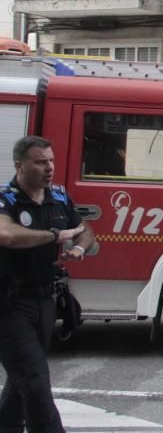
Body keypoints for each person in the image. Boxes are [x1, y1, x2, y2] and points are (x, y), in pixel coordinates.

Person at [0, 135, 95, 432]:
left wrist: (79, 246)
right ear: (20, 166)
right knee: (36, 382)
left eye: (51, 160)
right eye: (40, 162)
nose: (49, 167)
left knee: (22, 381)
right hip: (10, 304)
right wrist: (55, 235)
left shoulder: (59, 197)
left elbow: (85, 229)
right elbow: (7, 236)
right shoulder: (7, 199)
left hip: (45, 302)